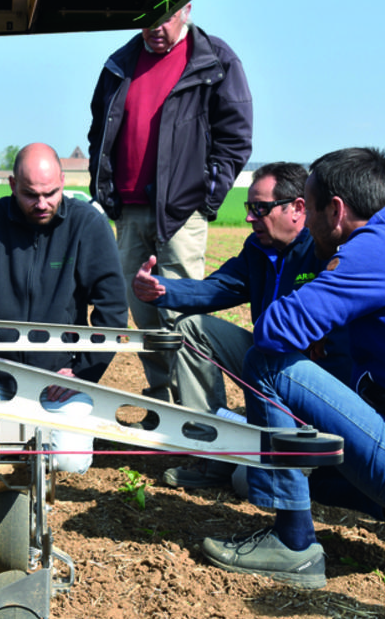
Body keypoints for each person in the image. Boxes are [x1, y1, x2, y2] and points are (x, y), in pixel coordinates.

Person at [202, 147, 385, 590]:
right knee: (313, 472)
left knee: (268, 364)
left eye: (309, 210)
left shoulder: (372, 251)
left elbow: (275, 330)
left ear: (335, 210)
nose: (305, 225)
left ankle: (292, 543)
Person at [131, 162, 350, 490]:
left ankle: (305, 458)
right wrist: (163, 290)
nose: (249, 217)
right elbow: (217, 288)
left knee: (254, 479)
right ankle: (212, 454)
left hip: (312, 376)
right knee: (192, 328)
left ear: (297, 208)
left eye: (259, 208)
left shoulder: (322, 248)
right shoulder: (258, 250)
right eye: (249, 208)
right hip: (264, 359)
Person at [87, 4, 253, 402]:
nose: (156, 26)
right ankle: (164, 404)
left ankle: (201, 415)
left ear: (187, 9)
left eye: (166, 16)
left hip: (182, 211)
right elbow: (98, 130)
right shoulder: (120, 62)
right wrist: (105, 190)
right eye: (146, 16)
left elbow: (235, 137)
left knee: (182, 314)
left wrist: (206, 195)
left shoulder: (215, 59)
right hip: (129, 211)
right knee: (143, 314)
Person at [0, 142, 129, 473]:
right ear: (12, 185)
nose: (41, 203)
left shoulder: (88, 226)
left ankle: (36, 437)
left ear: (63, 183)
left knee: (68, 463)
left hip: (60, 384)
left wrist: (82, 373)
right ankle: (3, 435)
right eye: (29, 194)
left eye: (50, 193)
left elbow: (111, 311)